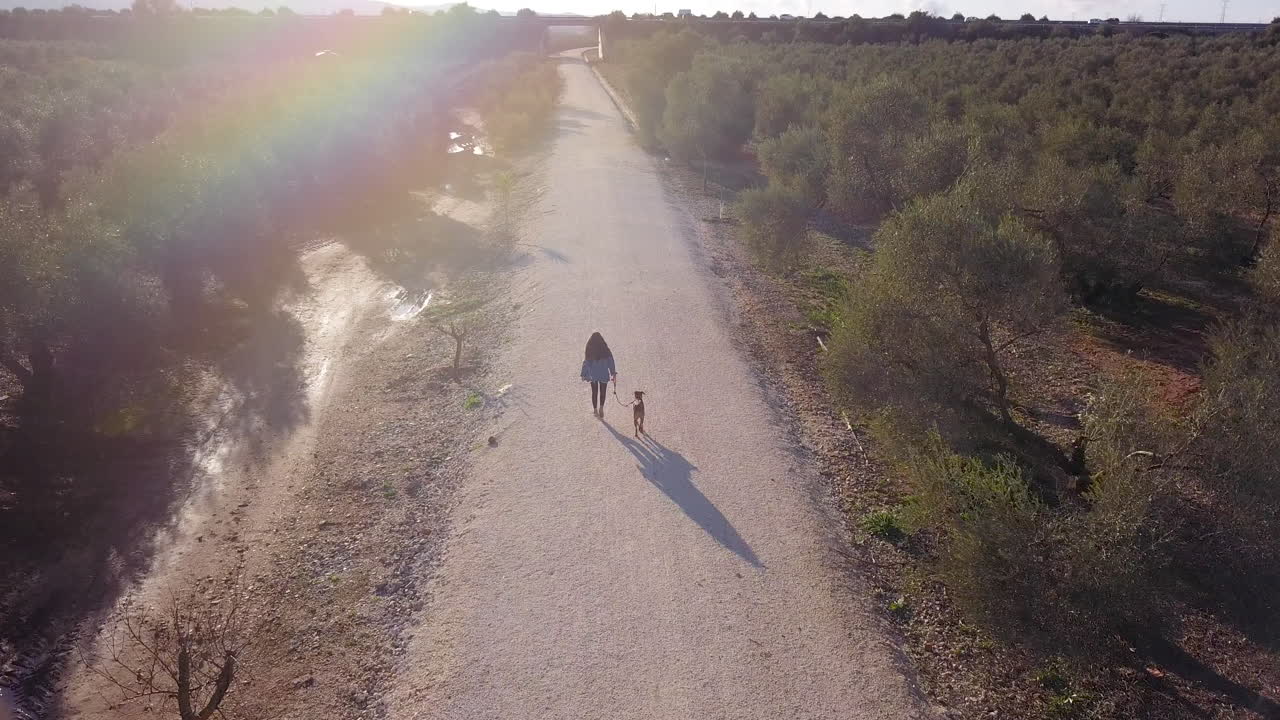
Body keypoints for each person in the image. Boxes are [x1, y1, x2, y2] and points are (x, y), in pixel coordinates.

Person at [580, 331, 617, 418]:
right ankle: (601, 407)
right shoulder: (605, 350)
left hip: (593, 375)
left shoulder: (589, 349)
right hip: (603, 374)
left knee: (594, 392)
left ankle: (595, 410)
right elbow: (611, 361)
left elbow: (586, 362)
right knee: (603, 391)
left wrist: (583, 374)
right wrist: (613, 373)